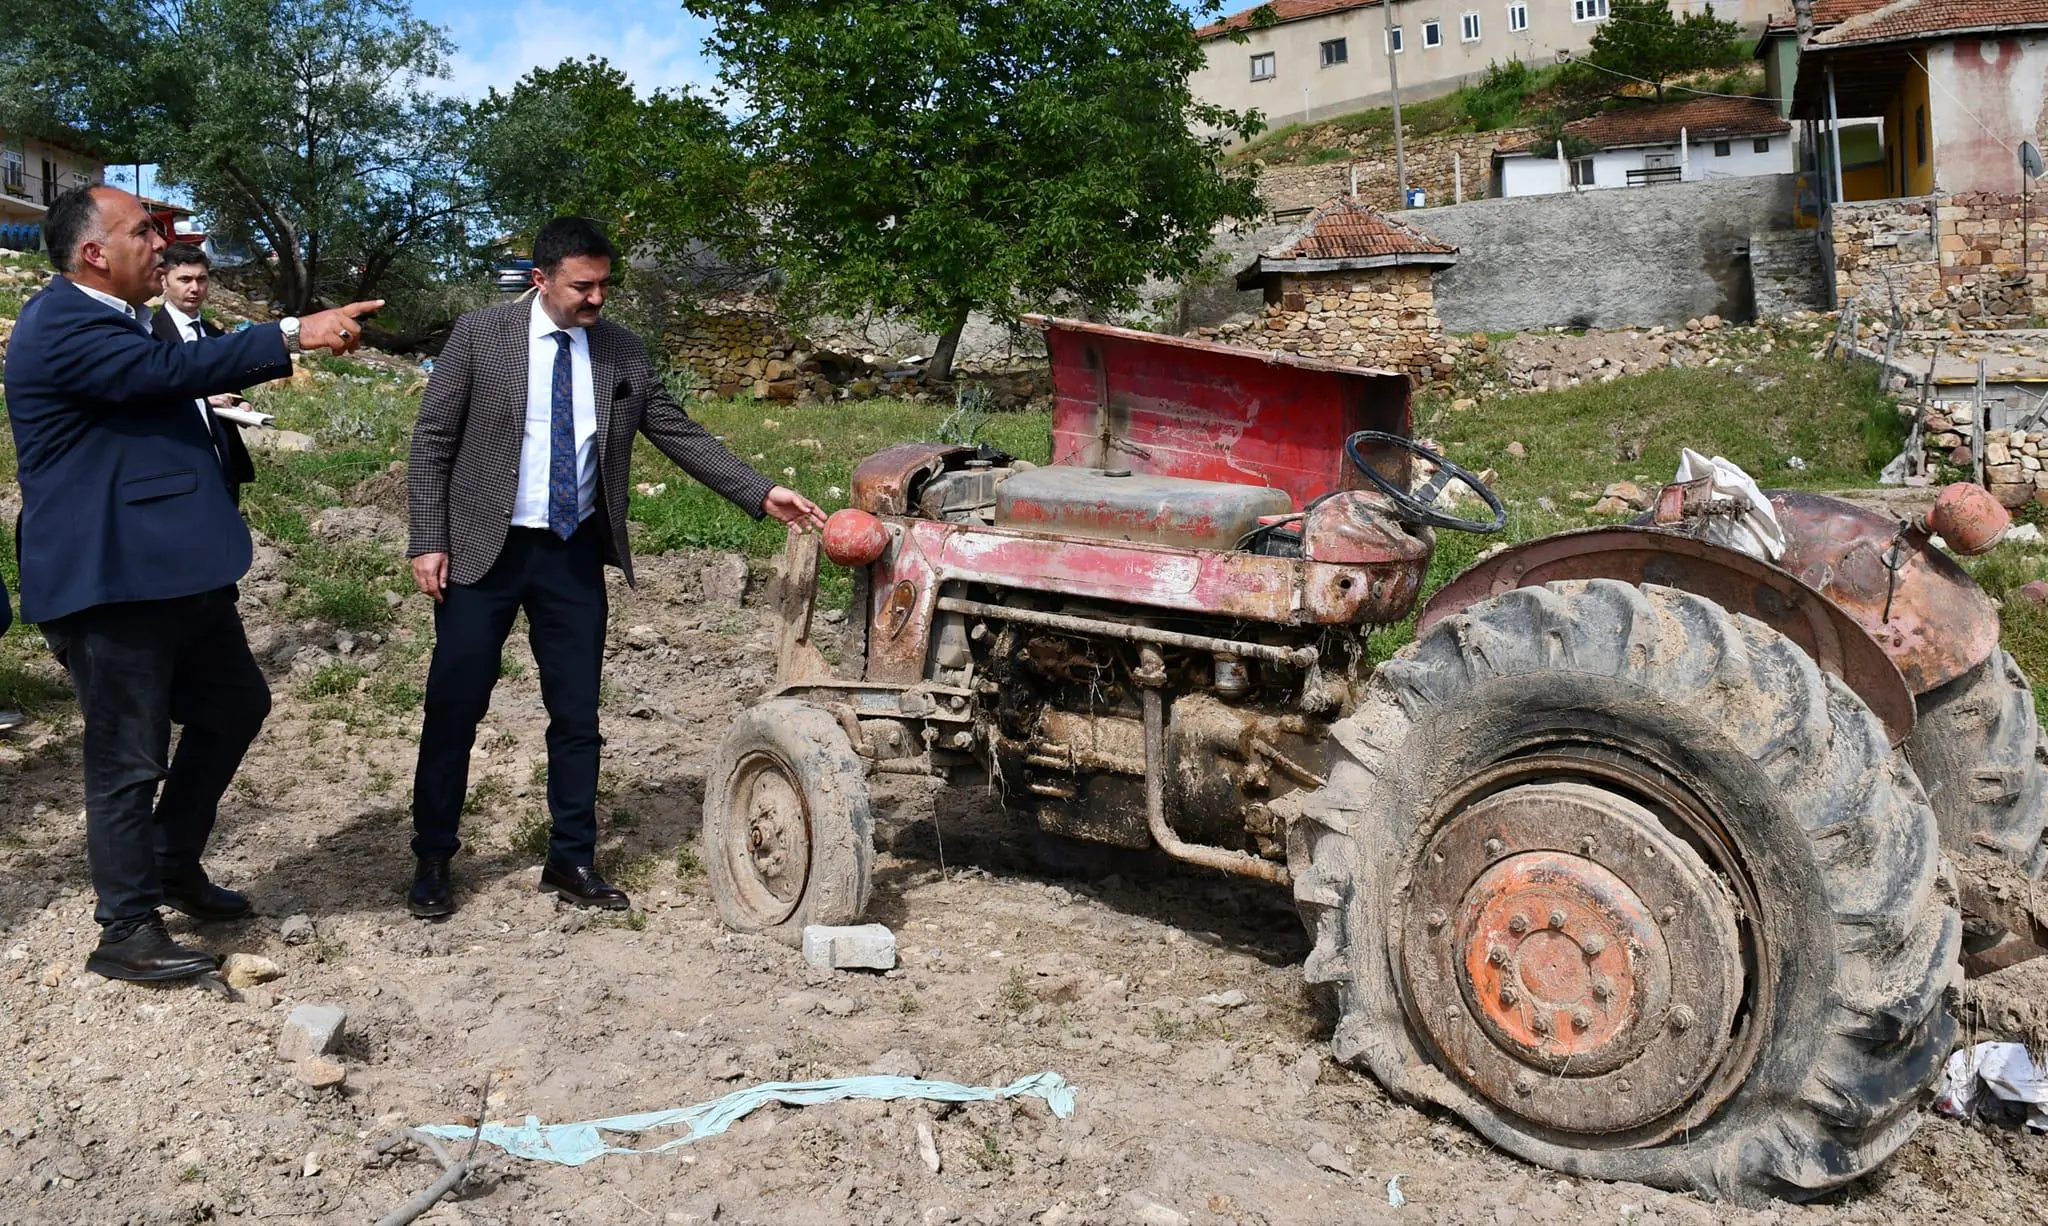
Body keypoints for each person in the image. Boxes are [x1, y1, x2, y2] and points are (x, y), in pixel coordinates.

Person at [2, 185, 381, 981]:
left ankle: (172, 861)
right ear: (93, 253)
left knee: (236, 704)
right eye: (143, 232)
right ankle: (126, 930)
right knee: (127, 756)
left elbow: (165, 380)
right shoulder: (61, 321)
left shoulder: (127, 321)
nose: (159, 243)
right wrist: (291, 332)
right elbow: (164, 372)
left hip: (175, 573)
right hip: (110, 581)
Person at [405, 216, 826, 918]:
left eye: (605, 284)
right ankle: (433, 859)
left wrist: (760, 491)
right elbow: (434, 438)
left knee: (577, 716)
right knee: (454, 710)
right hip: (483, 551)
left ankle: (571, 858)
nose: (597, 298)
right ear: (541, 280)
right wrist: (428, 537)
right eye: (583, 285)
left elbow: (678, 431)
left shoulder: (622, 352)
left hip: (572, 553)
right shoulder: (482, 335)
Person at [150, 243, 257, 503]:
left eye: (201, 279)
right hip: (174, 461)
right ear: (165, 280)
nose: (194, 288)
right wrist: (199, 401)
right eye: (185, 279)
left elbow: (230, 386)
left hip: (223, 463)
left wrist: (241, 405)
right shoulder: (149, 334)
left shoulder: (216, 335)